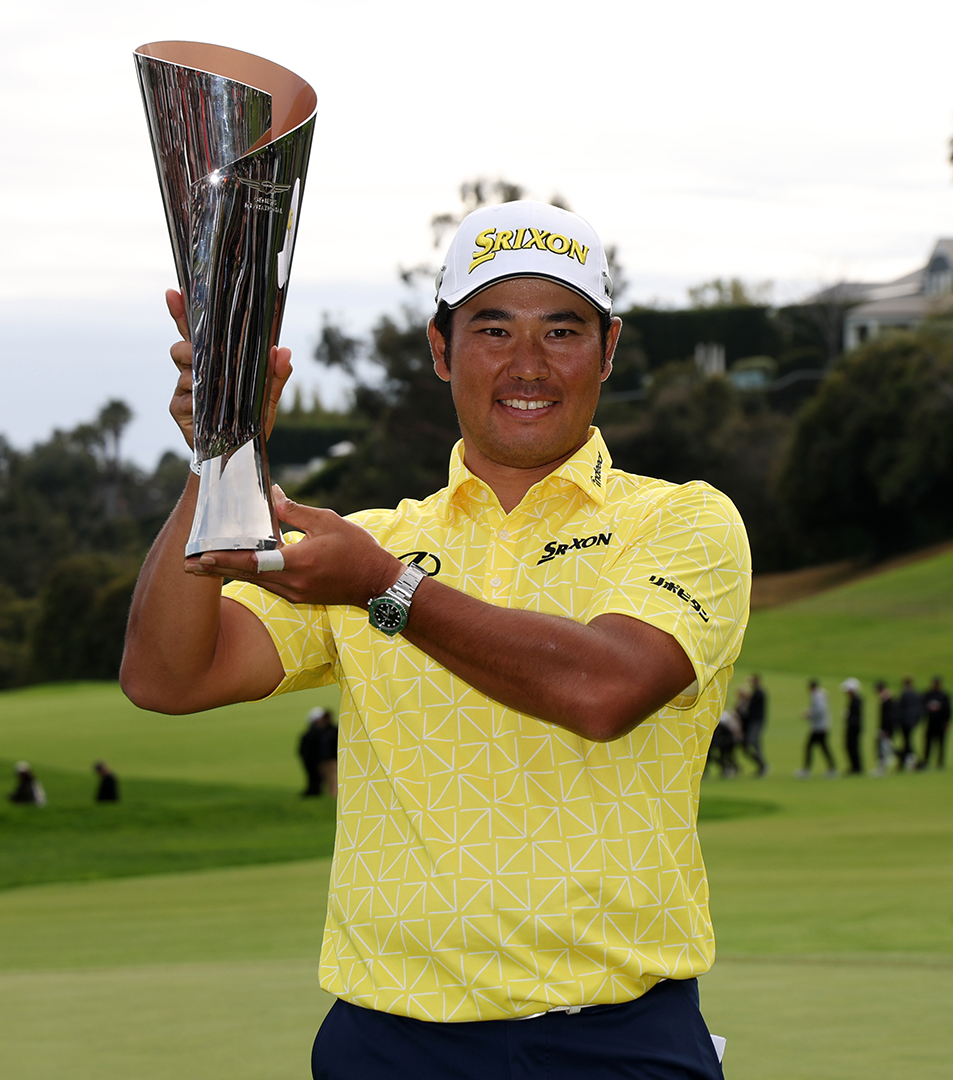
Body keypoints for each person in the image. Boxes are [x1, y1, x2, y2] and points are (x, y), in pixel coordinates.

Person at [121, 200, 750, 1079]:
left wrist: (387, 589)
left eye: (561, 331)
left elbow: (605, 691)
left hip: (613, 1040)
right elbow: (168, 674)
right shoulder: (378, 537)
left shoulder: (683, 519)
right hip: (388, 1039)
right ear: (440, 349)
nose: (527, 364)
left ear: (608, 350)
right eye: (493, 329)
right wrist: (225, 445)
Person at [798, 679, 836, 778]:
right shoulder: (822, 694)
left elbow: (820, 711)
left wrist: (808, 715)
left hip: (819, 727)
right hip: (822, 726)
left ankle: (806, 770)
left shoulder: (817, 696)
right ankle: (832, 768)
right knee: (823, 748)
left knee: (810, 747)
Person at [918, 676, 952, 770]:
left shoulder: (944, 695)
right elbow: (921, 704)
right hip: (930, 723)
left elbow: (949, 709)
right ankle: (926, 761)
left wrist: (947, 721)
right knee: (928, 743)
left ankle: (940, 762)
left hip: (941, 724)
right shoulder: (928, 694)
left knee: (941, 744)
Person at [740, 673, 768, 776]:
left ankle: (763, 765)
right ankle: (762, 765)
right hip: (752, 722)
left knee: (752, 742)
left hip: (756, 722)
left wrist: (746, 697)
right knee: (752, 744)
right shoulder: (756, 693)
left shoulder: (759, 693)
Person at [298, 706, 328, 796]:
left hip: (312, 758)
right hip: (313, 758)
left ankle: (314, 791)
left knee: (315, 776)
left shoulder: (311, 732)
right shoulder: (316, 732)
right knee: (315, 776)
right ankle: (314, 791)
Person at [873, 681, 899, 776]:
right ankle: (882, 767)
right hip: (886, 728)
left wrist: (885, 729)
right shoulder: (886, 699)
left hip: (886, 729)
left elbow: (888, 717)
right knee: (886, 748)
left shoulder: (887, 700)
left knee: (884, 749)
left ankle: (882, 768)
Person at [839, 678, 864, 775]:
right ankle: (855, 766)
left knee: (853, 747)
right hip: (853, 727)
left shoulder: (856, 700)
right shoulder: (854, 700)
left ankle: (856, 767)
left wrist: (848, 717)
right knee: (851, 747)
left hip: (854, 728)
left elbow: (854, 716)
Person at [897, 676, 922, 771]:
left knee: (907, 742)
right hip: (912, 722)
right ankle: (904, 762)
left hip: (905, 722)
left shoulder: (905, 693)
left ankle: (914, 762)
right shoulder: (915, 693)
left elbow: (900, 708)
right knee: (907, 741)